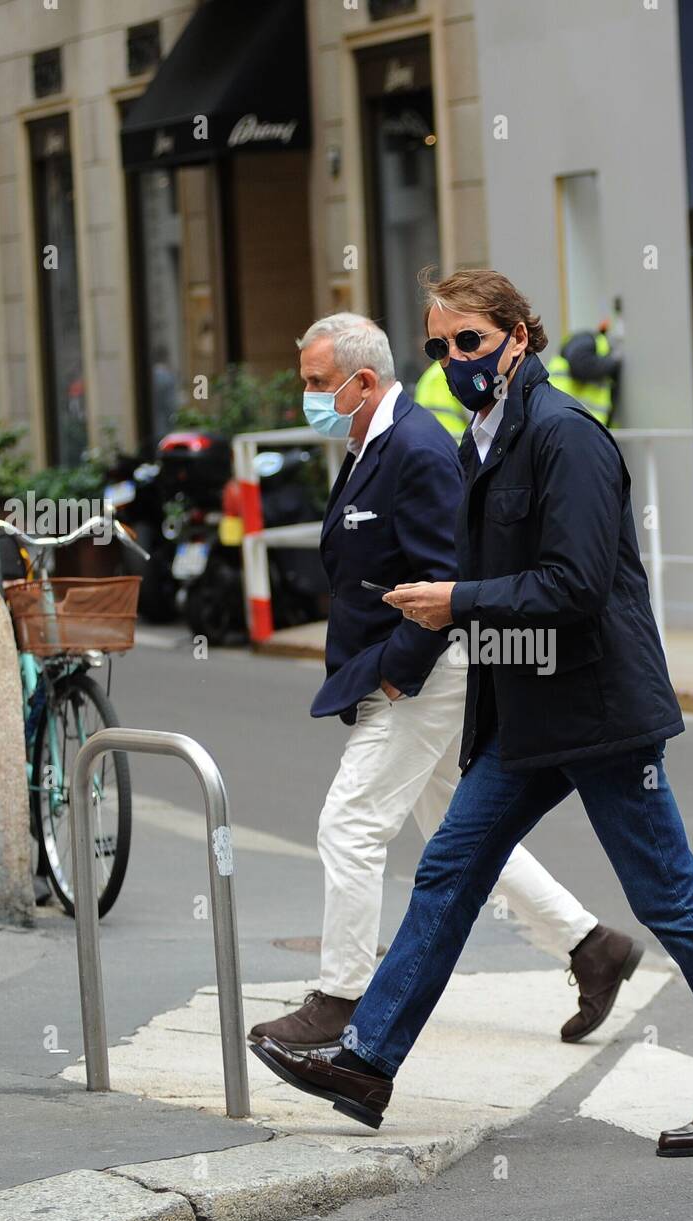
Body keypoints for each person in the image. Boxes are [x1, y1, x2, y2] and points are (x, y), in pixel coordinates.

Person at [251, 278, 693, 1159]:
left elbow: (574, 585)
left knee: (669, 897)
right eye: (438, 347)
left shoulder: (563, 434)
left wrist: (456, 601)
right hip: (526, 710)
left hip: (600, 710)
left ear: (517, 336)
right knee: (448, 870)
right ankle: (366, 1061)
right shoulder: (485, 435)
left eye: (468, 341)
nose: (452, 360)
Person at [247, 313, 643, 1053]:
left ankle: (339, 999)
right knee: (455, 834)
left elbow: (448, 575)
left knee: (350, 825)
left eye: (316, 383)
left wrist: (399, 672)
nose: (307, 397)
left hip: (425, 670)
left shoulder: (416, 448)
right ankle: (591, 945)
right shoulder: (370, 442)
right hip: (407, 670)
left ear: (363, 381)